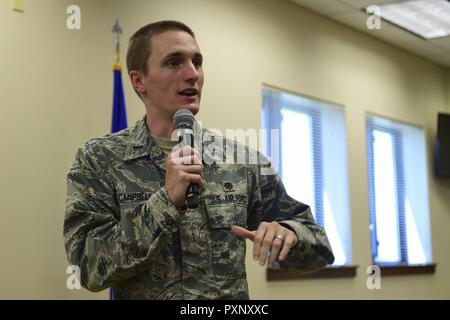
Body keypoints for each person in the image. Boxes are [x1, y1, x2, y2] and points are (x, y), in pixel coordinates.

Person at [64, 20, 334, 300]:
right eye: (174, 62)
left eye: (197, 62)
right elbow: (87, 267)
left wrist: (289, 235)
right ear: (138, 80)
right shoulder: (99, 159)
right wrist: (165, 201)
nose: (192, 74)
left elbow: (321, 250)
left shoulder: (241, 161)